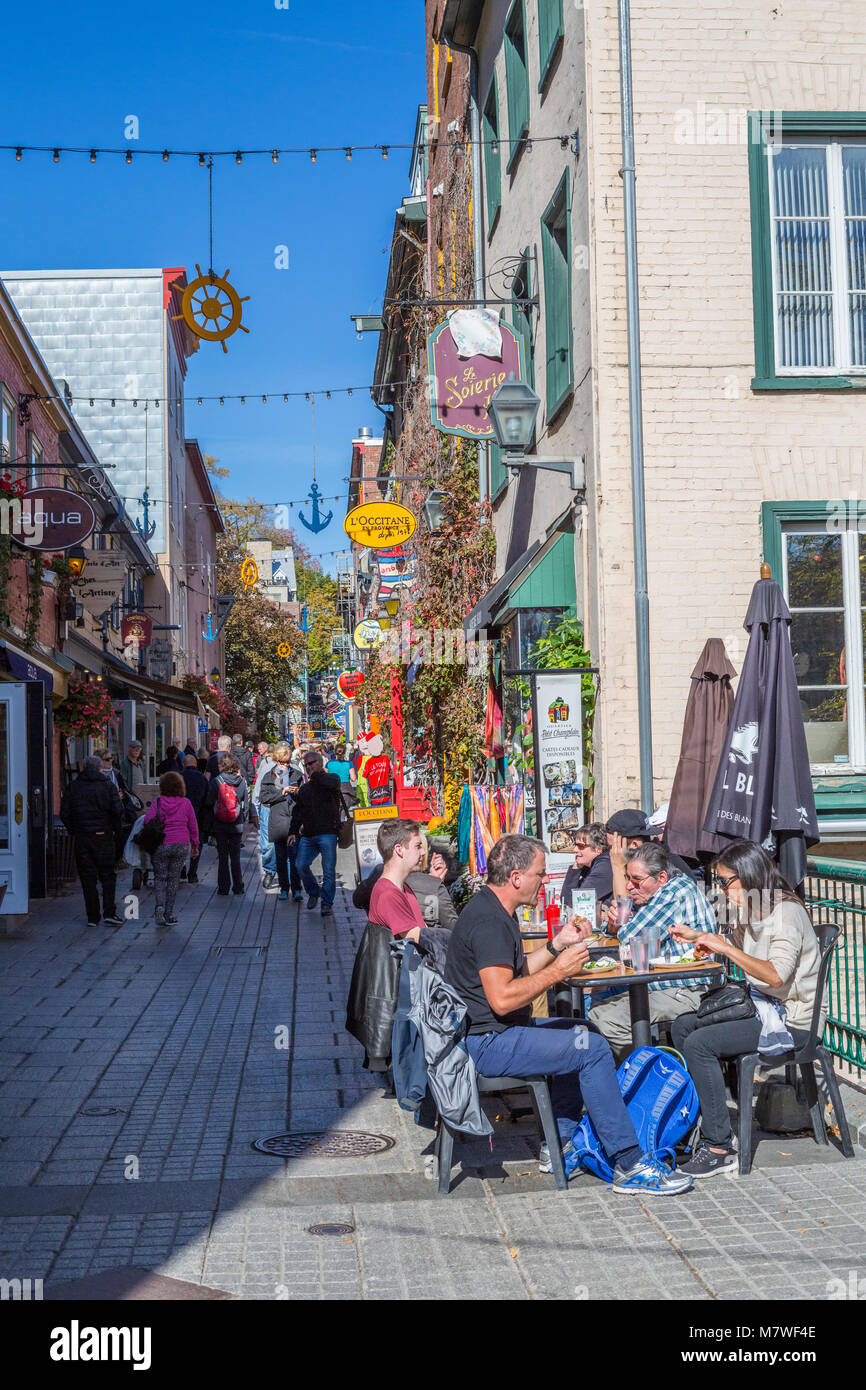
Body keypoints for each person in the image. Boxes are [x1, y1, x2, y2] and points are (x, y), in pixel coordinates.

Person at [443, 834, 692, 1194]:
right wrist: (558, 971)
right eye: (540, 874)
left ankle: (560, 1144)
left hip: (491, 1033)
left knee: (582, 1029)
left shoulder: (493, 910)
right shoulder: (490, 923)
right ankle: (629, 1162)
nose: (545, 881)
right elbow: (501, 998)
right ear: (516, 877)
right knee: (588, 1048)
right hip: (487, 1041)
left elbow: (517, 970)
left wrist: (556, 945)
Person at [670, 840, 825, 1178]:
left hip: (791, 1019)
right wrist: (699, 936)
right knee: (682, 1026)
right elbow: (736, 947)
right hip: (763, 1006)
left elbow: (773, 973)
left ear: (749, 876)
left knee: (700, 1044)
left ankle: (718, 1145)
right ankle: (703, 1119)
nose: (722, 890)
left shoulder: (786, 913)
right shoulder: (751, 910)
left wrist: (723, 949)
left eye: (726, 881)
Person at [591, 841, 719, 1061]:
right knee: (598, 1002)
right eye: (627, 879)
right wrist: (616, 924)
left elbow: (630, 936)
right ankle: (632, 1073)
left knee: (607, 1020)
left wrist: (619, 925)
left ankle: (654, 1077)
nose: (630, 886)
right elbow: (616, 930)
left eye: (636, 880)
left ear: (661, 877)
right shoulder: (658, 892)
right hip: (665, 983)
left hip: (690, 990)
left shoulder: (674, 892)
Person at [60, 755, 124, 928]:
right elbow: (117, 811)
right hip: (103, 836)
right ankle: (109, 912)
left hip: (82, 837)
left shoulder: (73, 787)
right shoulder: (107, 786)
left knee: (88, 877)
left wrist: (75, 830)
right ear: (99, 768)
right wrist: (115, 832)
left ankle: (92, 917)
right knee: (107, 875)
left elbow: (64, 813)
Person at [354, 834, 458, 928]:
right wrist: (432, 884)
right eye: (420, 848)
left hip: (384, 944)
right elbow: (453, 927)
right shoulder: (433, 886)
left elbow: (357, 900)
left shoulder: (379, 873)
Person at [142, 771, 200, 927]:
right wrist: (195, 845)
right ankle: (169, 914)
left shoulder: (158, 802)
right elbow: (193, 826)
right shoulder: (186, 803)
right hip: (181, 844)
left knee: (160, 878)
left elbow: (148, 820)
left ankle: (159, 907)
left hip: (162, 844)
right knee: (173, 879)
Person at [288, 750, 341, 918]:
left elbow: (330, 783)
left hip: (328, 833)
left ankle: (326, 903)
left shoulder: (331, 779)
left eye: (312, 763)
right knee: (300, 865)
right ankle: (313, 891)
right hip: (309, 835)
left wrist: (316, 775)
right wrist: (293, 832)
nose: (309, 767)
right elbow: (298, 812)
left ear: (320, 763)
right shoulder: (305, 789)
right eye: (306, 765)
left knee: (328, 871)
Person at [258, 743, 304, 901]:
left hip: (293, 821)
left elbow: (305, 797)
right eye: (282, 762)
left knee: (295, 858)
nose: (285, 765)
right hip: (277, 821)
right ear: (276, 761)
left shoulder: (297, 774)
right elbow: (263, 798)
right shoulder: (268, 777)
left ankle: (297, 889)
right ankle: (284, 888)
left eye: (287, 762)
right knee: (281, 858)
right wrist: (281, 793)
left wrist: (297, 791)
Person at [204, 753, 249, 895]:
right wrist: (241, 818)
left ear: (221, 766)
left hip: (220, 825)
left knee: (223, 857)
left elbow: (209, 802)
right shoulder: (241, 782)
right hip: (236, 824)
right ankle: (238, 887)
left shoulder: (217, 781)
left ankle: (223, 887)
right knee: (235, 857)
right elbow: (245, 805)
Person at [561, 822, 613, 913]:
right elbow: (564, 902)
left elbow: (576, 902)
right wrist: (576, 866)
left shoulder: (605, 866)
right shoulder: (590, 865)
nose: (575, 850)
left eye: (581, 846)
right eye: (575, 845)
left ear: (598, 849)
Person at [252, 743, 278, 887]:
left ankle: (288, 875)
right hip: (268, 807)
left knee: (287, 841)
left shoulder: (295, 768)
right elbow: (258, 789)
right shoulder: (267, 767)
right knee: (268, 842)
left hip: (286, 809)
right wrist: (255, 810)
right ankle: (269, 871)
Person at [181, 754, 208, 883]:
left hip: (180, 817)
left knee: (180, 842)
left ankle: (180, 868)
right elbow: (207, 800)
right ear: (196, 764)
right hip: (198, 816)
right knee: (196, 844)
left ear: (183, 764)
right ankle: (192, 873)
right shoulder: (202, 778)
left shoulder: (178, 777)